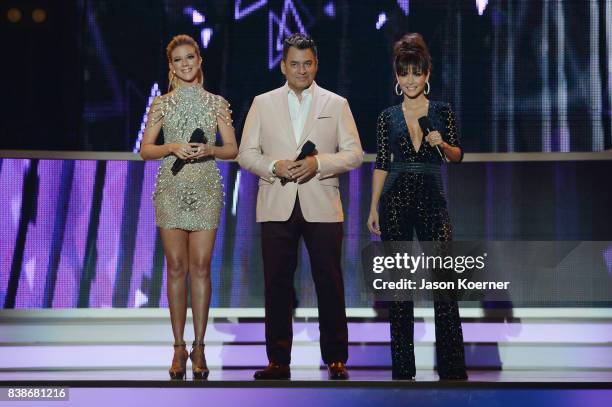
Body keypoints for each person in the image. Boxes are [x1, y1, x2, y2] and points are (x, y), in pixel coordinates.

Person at [238, 33, 363, 380]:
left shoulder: (335, 104)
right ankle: (278, 360)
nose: (301, 70)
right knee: (277, 283)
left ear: (316, 65)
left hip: (321, 203)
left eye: (307, 63)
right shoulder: (262, 103)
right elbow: (246, 154)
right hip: (277, 202)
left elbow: (354, 153)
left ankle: (336, 358)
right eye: (295, 63)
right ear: (283, 66)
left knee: (329, 280)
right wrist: (273, 166)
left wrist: (318, 164)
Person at [367, 33, 468, 380]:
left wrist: (443, 144)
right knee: (399, 287)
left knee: (444, 282)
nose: (410, 79)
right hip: (395, 199)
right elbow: (381, 162)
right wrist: (373, 207)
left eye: (416, 72)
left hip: (431, 196)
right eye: (404, 73)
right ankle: (403, 369)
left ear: (427, 74)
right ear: (397, 76)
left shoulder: (442, 112)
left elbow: (457, 156)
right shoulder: (386, 117)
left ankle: (452, 367)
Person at [139, 34, 237, 380]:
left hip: (207, 188)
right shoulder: (161, 105)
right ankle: (178, 346)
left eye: (190, 57)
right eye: (178, 60)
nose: (185, 64)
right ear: (171, 66)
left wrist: (209, 150)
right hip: (171, 187)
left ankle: (199, 345)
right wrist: (173, 146)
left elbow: (232, 149)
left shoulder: (217, 104)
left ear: (199, 60)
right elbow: (145, 150)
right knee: (176, 266)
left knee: (201, 266)